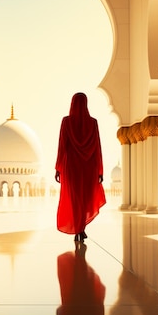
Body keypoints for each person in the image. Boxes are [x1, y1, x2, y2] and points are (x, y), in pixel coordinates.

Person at [55, 92, 106, 242]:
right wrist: (100, 170)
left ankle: (79, 228)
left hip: (71, 166)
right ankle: (81, 228)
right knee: (85, 197)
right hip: (89, 166)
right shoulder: (93, 123)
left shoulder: (66, 122)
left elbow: (62, 146)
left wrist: (58, 167)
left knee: (75, 198)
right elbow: (97, 147)